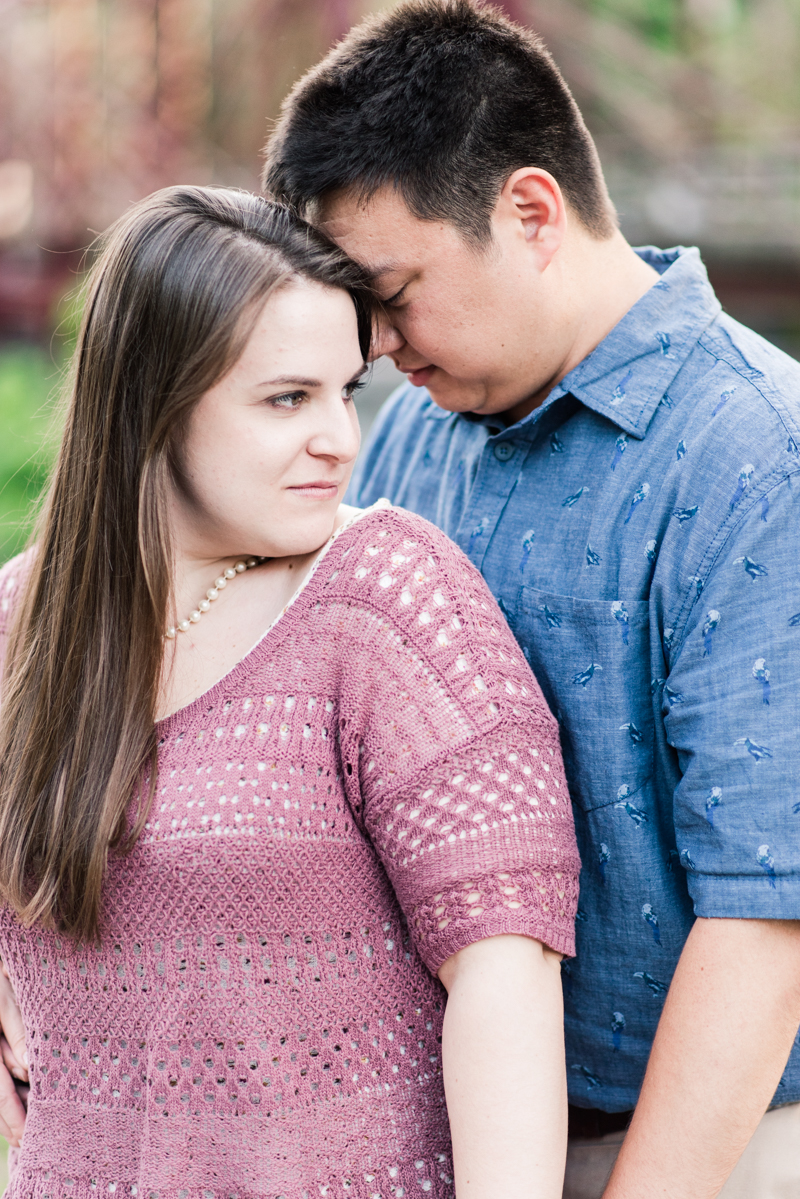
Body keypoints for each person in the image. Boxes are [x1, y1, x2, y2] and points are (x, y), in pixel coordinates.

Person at [261, 2, 800, 1196]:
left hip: (705, 1148)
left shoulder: (759, 456)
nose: (380, 345)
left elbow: (768, 918)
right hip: (436, 1131)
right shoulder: (411, 436)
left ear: (529, 211)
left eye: (395, 292)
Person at [0, 184, 579, 1197]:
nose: (338, 439)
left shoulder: (385, 595)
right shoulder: (20, 622)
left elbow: (504, 966)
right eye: (285, 398)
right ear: (152, 398)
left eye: (343, 392)